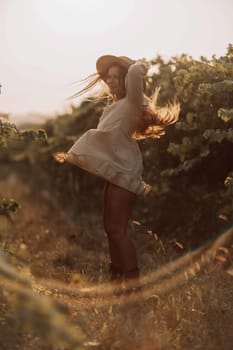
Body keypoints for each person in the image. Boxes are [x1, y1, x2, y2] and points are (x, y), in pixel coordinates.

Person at [53, 55, 180, 291]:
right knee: (111, 227)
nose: (109, 81)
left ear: (125, 78)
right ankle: (118, 282)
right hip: (117, 169)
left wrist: (140, 64)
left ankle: (133, 287)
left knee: (117, 229)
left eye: (115, 77)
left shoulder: (134, 99)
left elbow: (134, 74)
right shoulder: (117, 104)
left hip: (125, 168)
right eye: (107, 77)